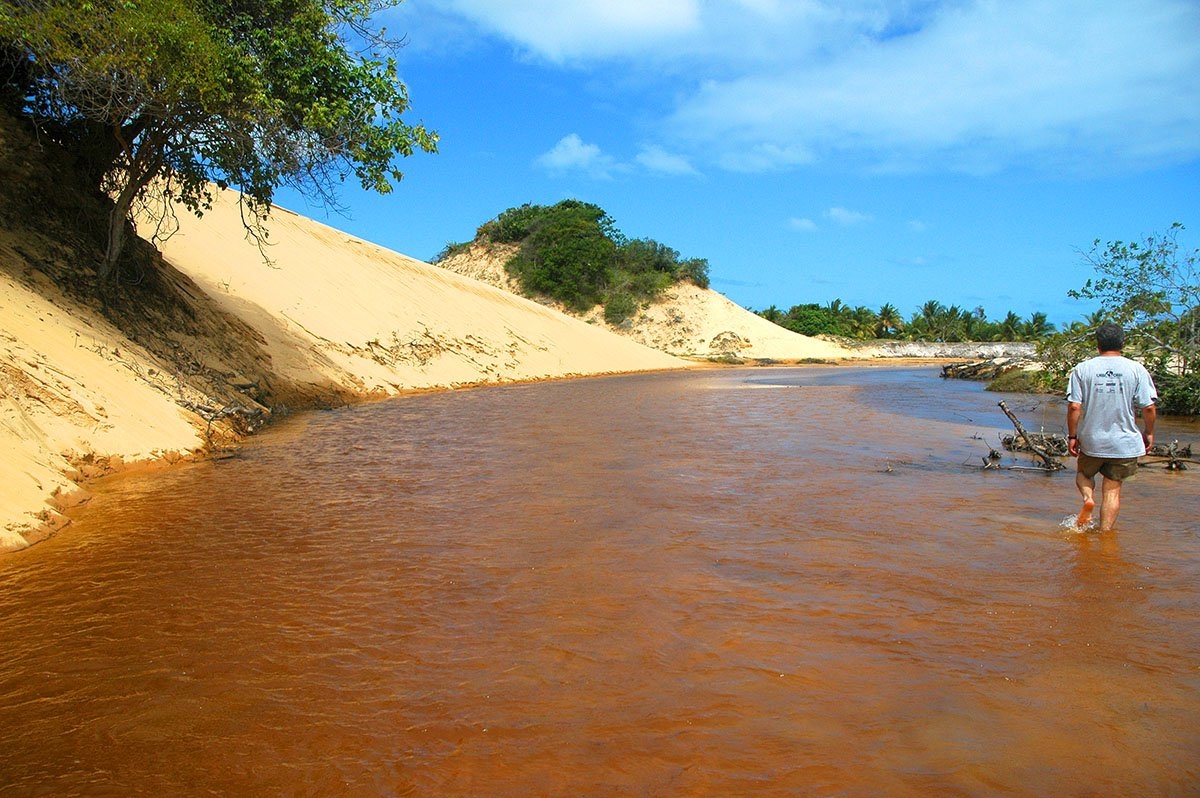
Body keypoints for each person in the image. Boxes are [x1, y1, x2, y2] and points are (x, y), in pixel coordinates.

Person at [1066, 322, 1157, 531]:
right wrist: (1149, 433)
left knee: (1084, 474)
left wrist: (1072, 436)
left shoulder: (1083, 369)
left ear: (1097, 343)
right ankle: (1106, 536)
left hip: (1092, 439)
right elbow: (1149, 408)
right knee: (1113, 490)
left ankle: (1088, 498)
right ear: (1123, 343)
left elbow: (1074, 407)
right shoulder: (1136, 369)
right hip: (1124, 442)